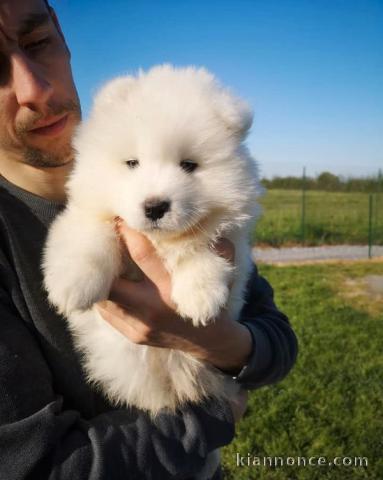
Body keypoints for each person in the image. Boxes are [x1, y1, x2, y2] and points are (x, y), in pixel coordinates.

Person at [0, 1, 298, 479]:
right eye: (134, 166)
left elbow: (277, 343)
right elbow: (34, 466)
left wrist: (223, 343)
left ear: (61, 35)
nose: (32, 88)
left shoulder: (206, 220)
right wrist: (213, 416)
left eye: (37, 44)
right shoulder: (89, 198)